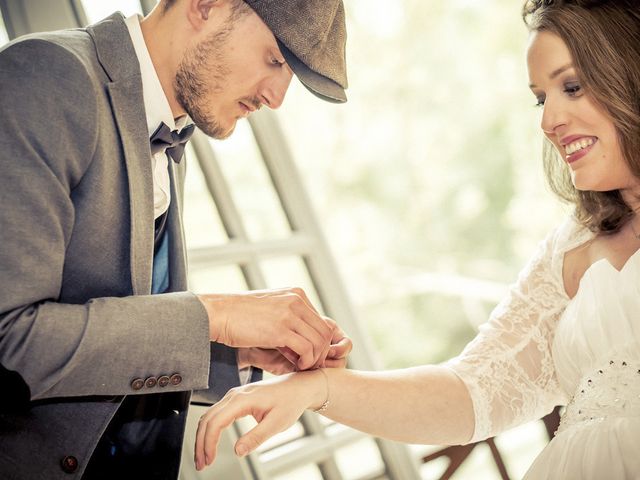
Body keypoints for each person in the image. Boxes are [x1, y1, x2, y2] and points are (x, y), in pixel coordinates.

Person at [194, 0, 640, 477]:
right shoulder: (569, 250)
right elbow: (471, 391)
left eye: (571, 86)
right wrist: (317, 389)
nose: (548, 121)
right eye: (540, 98)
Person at [0, 0, 353, 478]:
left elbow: (111, 326)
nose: (276, 98)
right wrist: (217, 315)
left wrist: (238, 352)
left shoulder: (168, 128)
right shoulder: (47, 75)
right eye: (275, 60)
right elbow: (10, 341)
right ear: (204, 6)